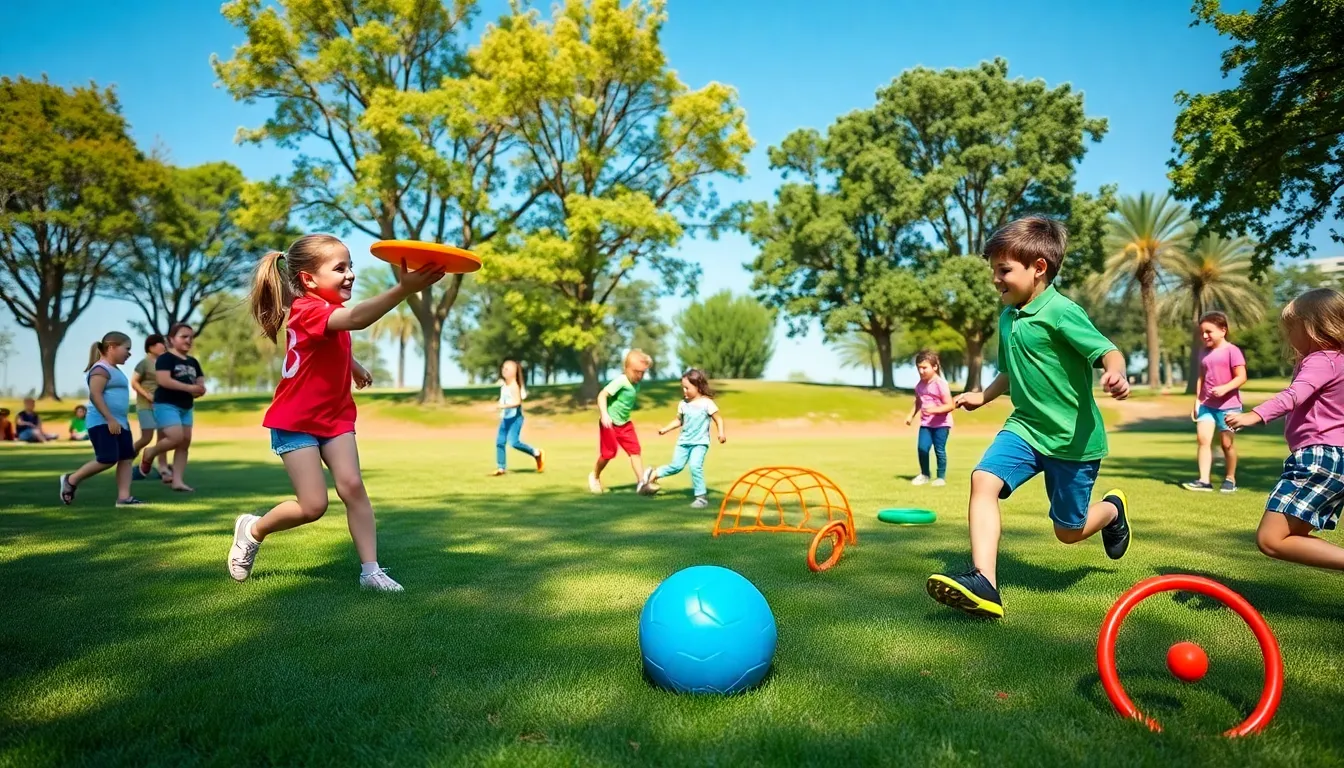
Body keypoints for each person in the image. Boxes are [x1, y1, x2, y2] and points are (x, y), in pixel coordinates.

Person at [926, 215, 1132, 619]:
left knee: (1068, 532)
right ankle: (985, 583)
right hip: (1025, 429)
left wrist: (1116, 371)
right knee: (982, 480)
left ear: (1038, 268)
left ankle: (1112, 510)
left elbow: (1107, 350)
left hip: (1074, 440)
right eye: (994, 271)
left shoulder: (1061, 312)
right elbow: (1008, 371)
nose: (996, 279)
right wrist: (982, 396)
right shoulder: (1007, 318)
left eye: (1004, 270)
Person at [227, 233, 446, 592]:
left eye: (351, 267)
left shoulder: (325, 312)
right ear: (308, 280)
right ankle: (253, 529)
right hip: (295, 420)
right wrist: (403, 289)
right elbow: (357, 319)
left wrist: (354, 366)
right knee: (313, 506)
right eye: (339, 268)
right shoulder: (307, 309)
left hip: (334, 417)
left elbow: (327, 344)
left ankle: (371, 572)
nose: (350, 275)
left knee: (353, 486)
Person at [1226, 288, 1344, 571]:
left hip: (1318, 458)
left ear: (1313, 328)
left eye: (1291, 328)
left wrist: (1255, 415)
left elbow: (1294, 395)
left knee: (1272, 539)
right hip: (1337, 459)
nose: (1287, 336)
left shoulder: (1321, 360)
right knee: (1290, 536)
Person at [58, 332, 145, 507]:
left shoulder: (114, 369)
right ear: (111, 347)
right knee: (107, 458)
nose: (129, 353)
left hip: (120, 422)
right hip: (102, 422)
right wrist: (110, 419)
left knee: (126, 458)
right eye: (126, 349)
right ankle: (71, 479)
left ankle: (124, 498)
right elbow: (95, 395)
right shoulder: (100, 369)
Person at [641, 368, 727, 508]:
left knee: (695, 466)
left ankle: (701, 497)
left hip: (700, 443)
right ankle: (654, 474)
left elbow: (718, 419)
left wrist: (721, 433)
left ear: (698, 386)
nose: (684, 391)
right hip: (683, 443)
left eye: (687, 388)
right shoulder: (683, 404)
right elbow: (679, 421)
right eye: (683, 388)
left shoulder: (707, 403)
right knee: (676, 466)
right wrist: (665, 429)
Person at [1182, 311, 1247, 493]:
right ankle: (1204, 480)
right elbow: (1201, 378)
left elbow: (1241, 377)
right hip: (1207, 406)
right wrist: (1198, 400)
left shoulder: (1232, 351)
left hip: (1229, 406)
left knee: (1227, 444)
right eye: (1202, 332)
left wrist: (1225, 388)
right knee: (1203, 440)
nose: (1204, 336)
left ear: (1223, 330)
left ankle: (1230, 478)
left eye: (1208, 331)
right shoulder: (1204, 352)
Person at [137, 324, 205, 492]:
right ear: (171, 339)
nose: (188, 340)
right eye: (184, 336)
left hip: (186, 407)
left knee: (184, 443)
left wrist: (199, 390)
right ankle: (150, 452)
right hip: (166, 404)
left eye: (191, 337)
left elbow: (200, 383)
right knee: (176, 437)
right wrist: (191, 388)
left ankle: (177, 481)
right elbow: (164, 381)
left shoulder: (193, 362)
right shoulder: (165, 359)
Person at [590, 349, 652, 494]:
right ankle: (595, 476)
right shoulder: (621, 381)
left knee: (635, 451)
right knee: (608, 454)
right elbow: (602, 395)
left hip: (624, 424)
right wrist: (604, 414)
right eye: (637, 372)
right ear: (626, 368)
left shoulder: (636, 384)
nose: (640, 376)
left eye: (643, 372)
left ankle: (641, 483)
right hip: (609, 424)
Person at [905, 349, 954, 487]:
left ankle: (940, 477)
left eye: (924, 368)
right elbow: (918, 402)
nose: (921, 371)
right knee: (922, 448)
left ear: (935, 367)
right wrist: (911, 415)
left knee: (939, 450)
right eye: (919, 368)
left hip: (941, 424)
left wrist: (934, 410)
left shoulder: (940, 384)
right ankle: (925, 475)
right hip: (926, 424)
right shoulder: (920, 385)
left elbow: (950, 405)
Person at [491, 360, 544, 476]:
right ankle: (501, 468)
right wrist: (498, 407)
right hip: (505, 418)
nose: (504, 371)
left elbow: (517, 402)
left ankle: (536, 453)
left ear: (514, 372)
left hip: (515, 418)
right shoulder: (504, 386)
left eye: (507, 369)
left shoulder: (514, 386)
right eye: (503, 368)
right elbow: (503, 400)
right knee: (500, 442)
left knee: (514, 442)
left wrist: (503, 406)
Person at [131, 333, 172, 482]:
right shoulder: (144, 363)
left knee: (163, 438)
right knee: (146, 438)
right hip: (145, 405)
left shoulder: (165, 363)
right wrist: (147, 395)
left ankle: (163, 468)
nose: (164, 346)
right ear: (151, 346)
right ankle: (126, 460)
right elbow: (134, 382)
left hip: (162, 406)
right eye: (162, 344)